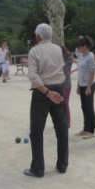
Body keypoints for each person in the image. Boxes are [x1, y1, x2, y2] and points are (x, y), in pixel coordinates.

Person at [24, 24, 68, 178]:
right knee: (61, 128)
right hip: (60, 89)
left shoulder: (34, 50)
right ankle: (62, 164)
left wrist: (47, 92)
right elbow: (59, 67)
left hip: (42, 92)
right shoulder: (57, 49)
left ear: (38, 36)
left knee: (36, 131)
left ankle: (38, 168)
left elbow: (33, 76)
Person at [74, 35, 95, 139]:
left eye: (79, 47)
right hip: (82, 84)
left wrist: (88, 87)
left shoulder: (91, 57)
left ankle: (91, 130)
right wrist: (78, 85)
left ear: (85, 46)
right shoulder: (81, 56)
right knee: (84, 107)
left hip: (89, 85)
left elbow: (92, 72)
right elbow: (80, 71)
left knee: (89, 107)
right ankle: (85, 128)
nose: (78, 49)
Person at [61, 45, 76, 127]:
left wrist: (72, 71)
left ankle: (68, 121)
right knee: (59, 103)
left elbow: (80, 63)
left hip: (66, 84)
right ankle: (60, 120)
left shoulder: (69, 58)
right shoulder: (59, 59)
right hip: (59, 84)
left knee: (66, 103)